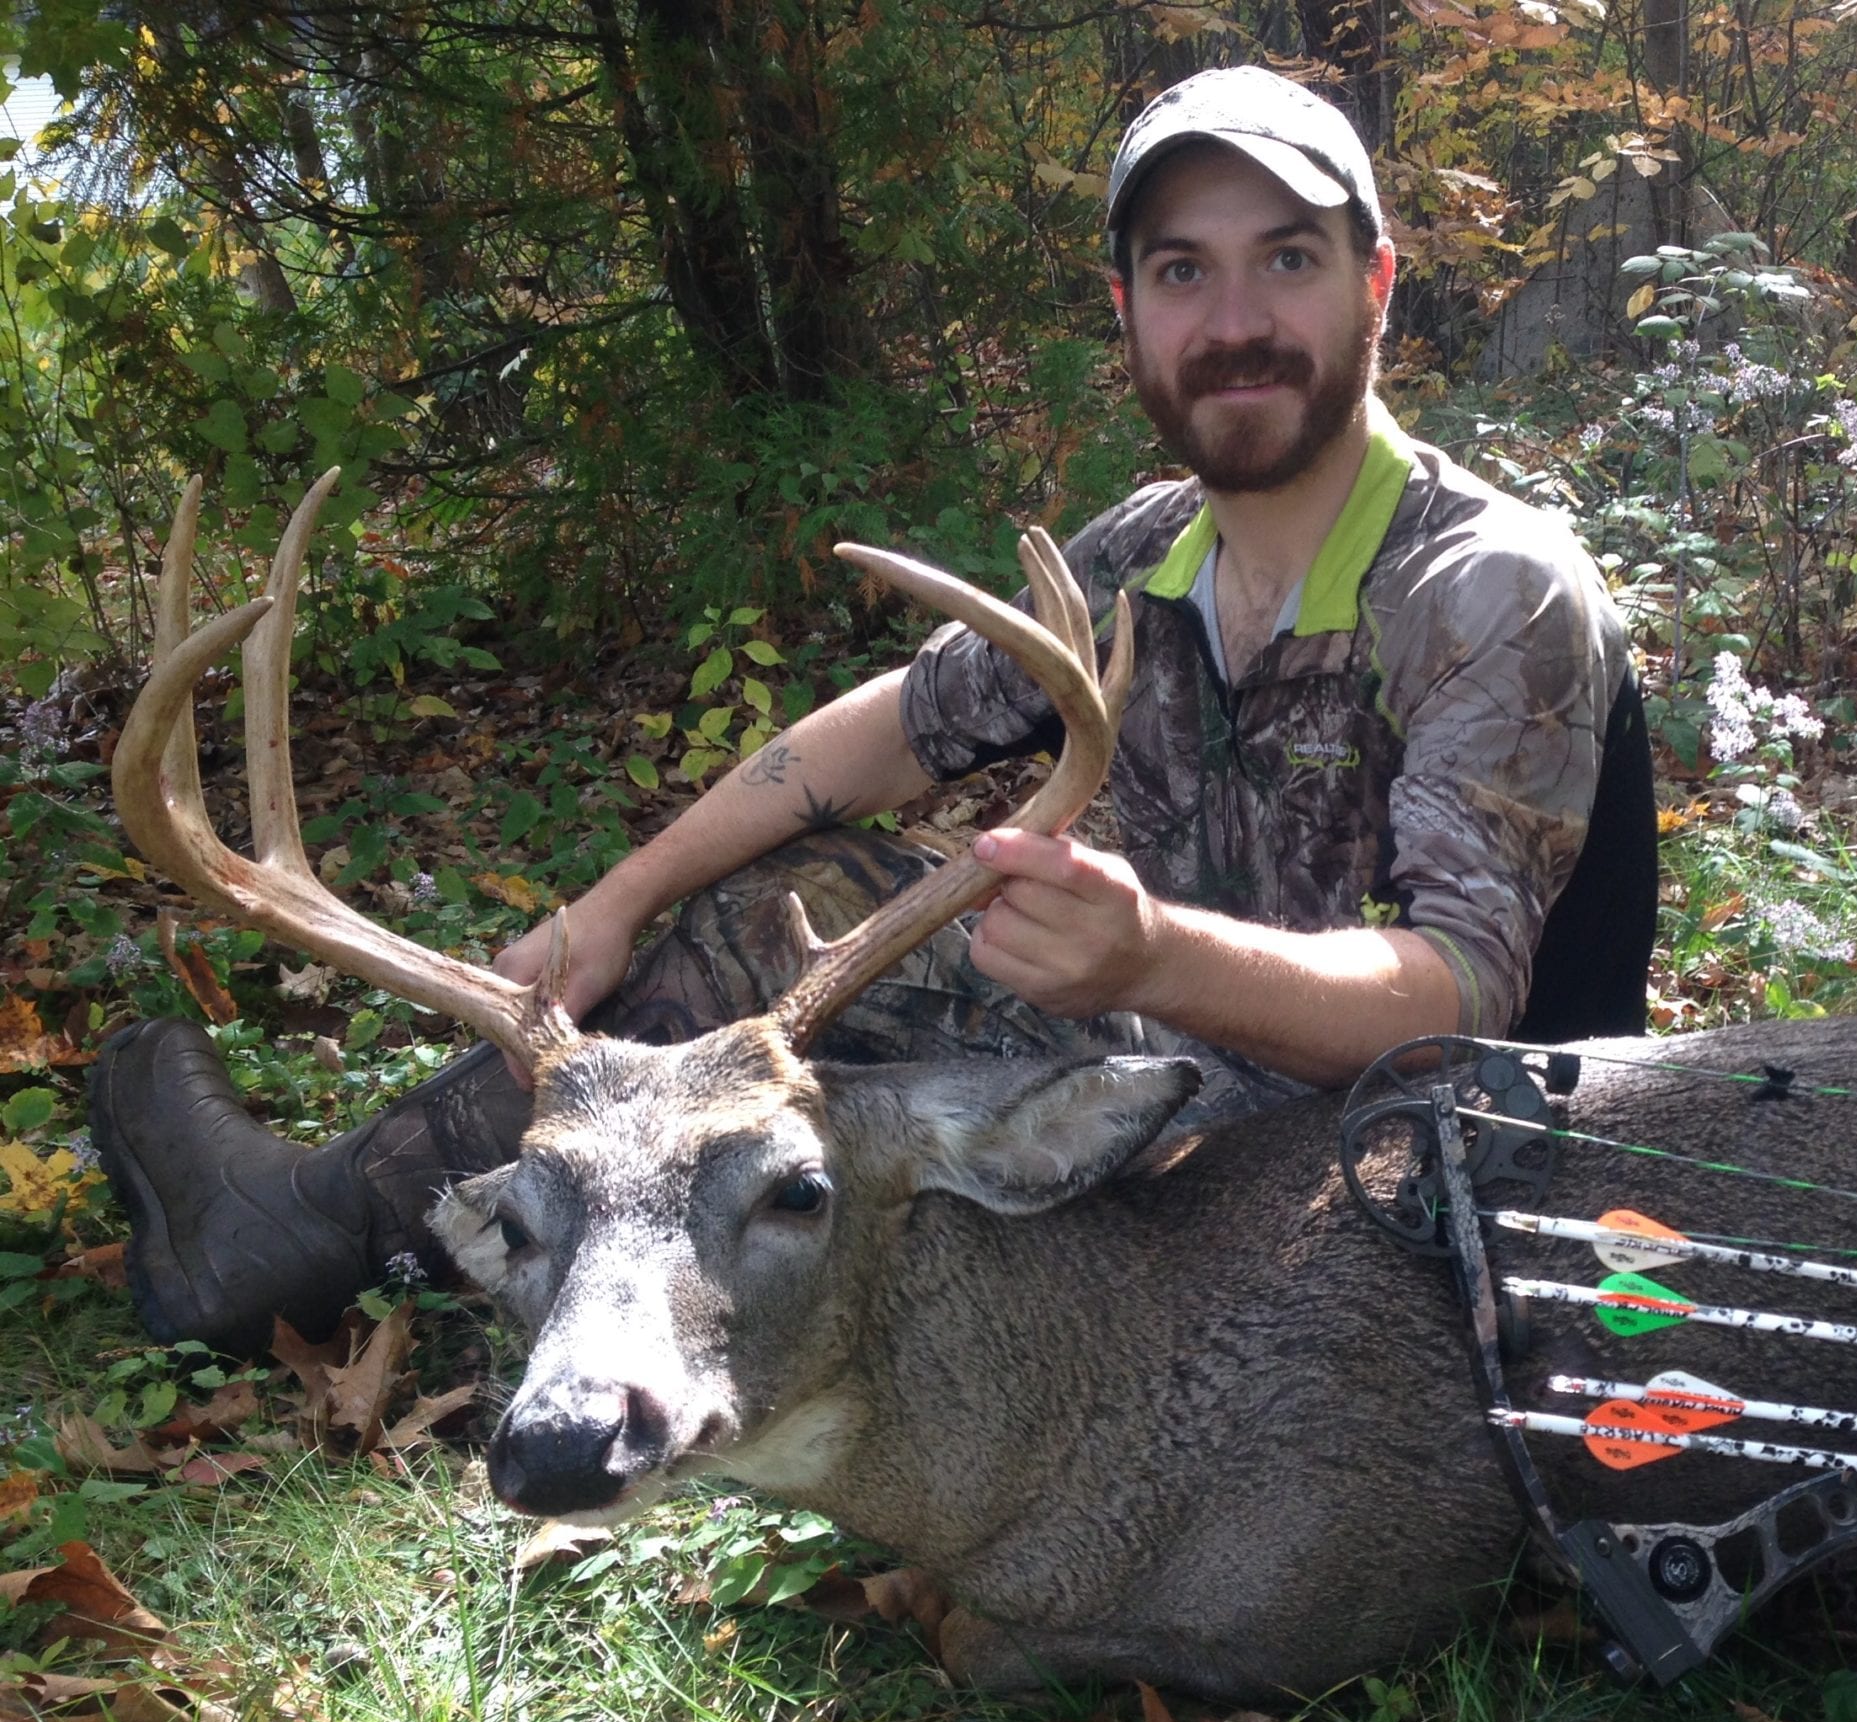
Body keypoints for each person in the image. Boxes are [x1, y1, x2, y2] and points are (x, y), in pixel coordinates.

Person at [90, 66, 1657, 1357]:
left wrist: (1152, 954)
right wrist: (621, 900)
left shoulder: (1488, 584)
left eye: (1288, 259)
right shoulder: (1144, 552)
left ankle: (462, 1258)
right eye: (1185, 271)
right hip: (1165, 1082)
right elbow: (897, 725)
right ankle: (325, 1224)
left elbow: (1460, 1000)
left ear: (1378, 284)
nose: (1235, 319)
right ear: (1129, 309)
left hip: (1407, 1193)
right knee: (801, 912)